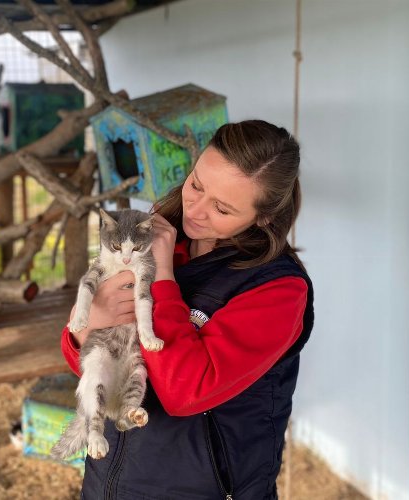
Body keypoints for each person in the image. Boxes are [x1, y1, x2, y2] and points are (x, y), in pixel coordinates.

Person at [60, 119, 314, 500]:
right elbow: (88, 358)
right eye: (196, 184)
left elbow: (185, 393)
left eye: (222, 208)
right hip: (111, 480)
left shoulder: (277, 290)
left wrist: (162, 276)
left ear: (263, 217)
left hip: (201, 488)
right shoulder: (160, 235)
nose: (195, 209)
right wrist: (85, 329)